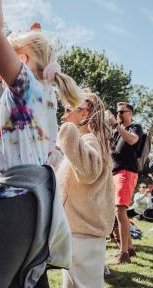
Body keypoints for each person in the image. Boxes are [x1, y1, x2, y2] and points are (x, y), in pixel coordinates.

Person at [0, 0, 81, 287]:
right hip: (39, 208)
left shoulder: (25, 86)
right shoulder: (46, 96)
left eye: (12, 53)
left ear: (23, 59)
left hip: (16, 204)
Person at [56, 91, 114, 288]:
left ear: (84, 112)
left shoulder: (89, 140)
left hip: (84, 232)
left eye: (67, 110)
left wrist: (66, 131)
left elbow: (88, 172)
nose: (63, 116)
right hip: (77, 229)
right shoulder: (88, 141)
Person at [106, 102, 143, 264]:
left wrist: (115, 124)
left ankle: (123, 254)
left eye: (122, 112)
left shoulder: (135, 127)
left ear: (130, 113)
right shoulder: (115, 130)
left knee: (120, 210)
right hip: (115, 173)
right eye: (117, 112)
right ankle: (130, 248)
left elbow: (133, 140)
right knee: (118, 211)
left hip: (126, 172)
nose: (119, 114)